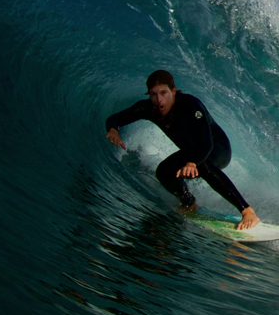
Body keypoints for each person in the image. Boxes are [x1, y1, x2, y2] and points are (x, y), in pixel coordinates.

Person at [105, 70, 260, 230]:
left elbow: (205, 144)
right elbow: (116, 118)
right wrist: (113, 129)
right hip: (192, 152)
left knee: (202, 164)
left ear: (173, 91)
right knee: (163, 172)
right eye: (153, 94)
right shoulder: (149, 108)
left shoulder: (191, 106)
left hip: (217, 148)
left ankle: (247, 211)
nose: (159, 100)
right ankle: (189, 203)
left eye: (163, 93)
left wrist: (192, 162)